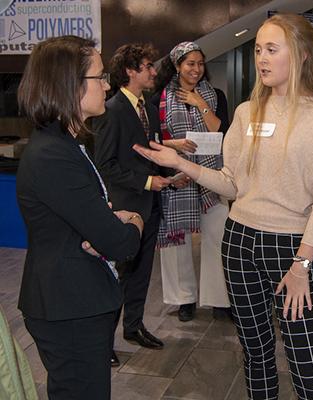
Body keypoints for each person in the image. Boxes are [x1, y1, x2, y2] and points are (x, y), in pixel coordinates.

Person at [135, 13, 313, 400]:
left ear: (301, 55)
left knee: (307, 361)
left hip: (291, 248)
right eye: (257, 50)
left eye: (272, 49)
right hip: (238, 241)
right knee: (255, 354)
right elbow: (231, 182)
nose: (262, 59)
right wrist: (182, 164)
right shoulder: (246, 113)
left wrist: (303, 265)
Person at [16, 36, 143, 399]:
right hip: (67, 306)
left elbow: (92, 219)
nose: (107, 85)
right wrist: (133, 220)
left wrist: (107, 221)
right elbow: (118, 242)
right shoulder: (53, 154)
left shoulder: (67, 143)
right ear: (69, 85)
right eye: (99, 77)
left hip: (75, 299)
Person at [93, 44, 181, 365]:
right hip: (127, 208)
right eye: (147, 66)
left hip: (151, 205)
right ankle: (103, 342)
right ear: (130, 71)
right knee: (119, 275)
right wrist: (147, 182)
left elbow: (149, 151)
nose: (154, 71)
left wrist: (171, 175)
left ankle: (134, 326)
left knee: (142, 271)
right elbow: (105, 165)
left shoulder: (147, 105)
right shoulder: (112, 110)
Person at [152, 41, 230, 322]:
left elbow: (223, 131)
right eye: (190, 64)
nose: (196, 69)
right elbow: (152, 139)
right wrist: (176, 145)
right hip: (176, 177)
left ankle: (220, 299)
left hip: (211, 178)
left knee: (219, 236)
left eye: (200, 63)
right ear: (177, 66)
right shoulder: (159, 98)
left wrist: (200, 103)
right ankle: (183, 300)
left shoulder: (215, 95)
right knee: (176, 240)